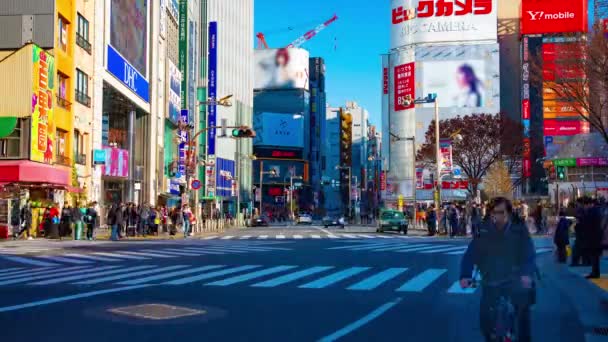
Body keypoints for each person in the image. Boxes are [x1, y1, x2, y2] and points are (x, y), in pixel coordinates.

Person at [460, 197, 536, 342]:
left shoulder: (518, 229)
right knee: (485, 319)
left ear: (508, 213)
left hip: (515, 277)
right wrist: (465, 275)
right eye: (493, 212)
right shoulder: (484, 230)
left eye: (501, 212)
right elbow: (471, 254)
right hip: (491, 278)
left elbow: (529, 253)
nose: (497, 216)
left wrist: (526, 274)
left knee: (522, 314)